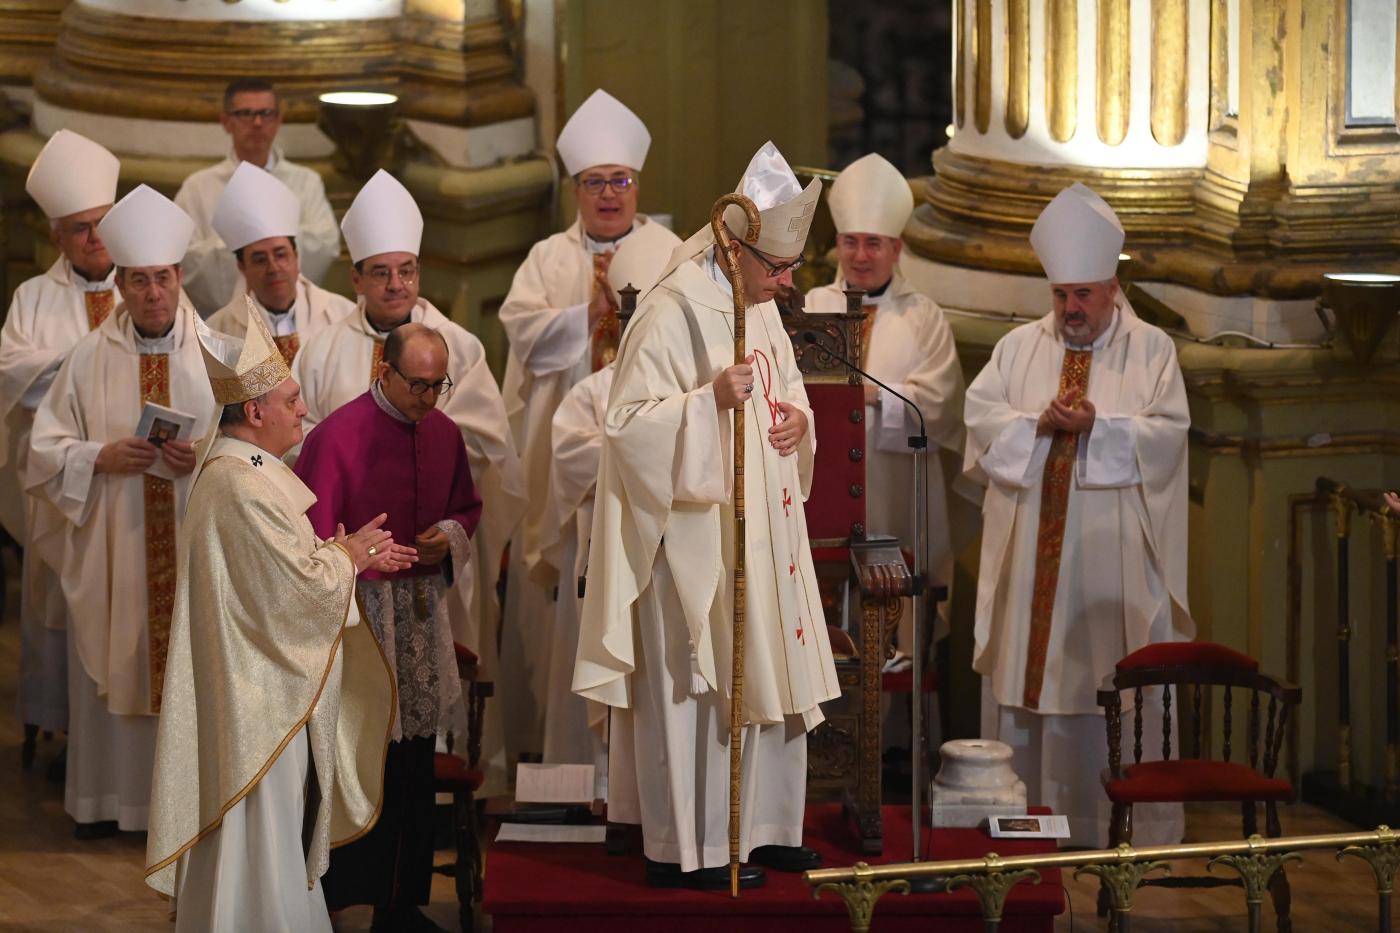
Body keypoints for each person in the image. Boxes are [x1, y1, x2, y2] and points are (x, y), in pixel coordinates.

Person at [574, 142, 838, 889]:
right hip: (694, 537)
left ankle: (767, 829)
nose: (788, 284)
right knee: (704, 687)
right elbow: (625, 427)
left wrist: (798, 424)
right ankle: (691, 847)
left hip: (767, 529)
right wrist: (707, 403)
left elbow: (789, 394)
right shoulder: (671, 308)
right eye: (778, 268)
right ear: (734, 247)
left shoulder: (761, 305)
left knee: (772, 672)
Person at [145, 298, 407, 932]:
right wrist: (346, 558)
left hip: (259, 690)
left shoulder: (245, 473)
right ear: (256, 411)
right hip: (257, 705)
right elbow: (295, 594)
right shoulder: (239, 484)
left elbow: (276, 580)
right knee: (257, 831)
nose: (303, 410)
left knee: (265, 834)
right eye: (291, 400)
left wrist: (336, 554)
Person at [963, 182, 1192, 847]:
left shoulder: (1152, 350)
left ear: (1112, 288)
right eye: (1061, 294)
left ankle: (1110, 824)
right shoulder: (1019, 348)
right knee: (1026, 675)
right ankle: (1026, 820)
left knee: (1107, 674)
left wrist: (1099, 427)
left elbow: (1168, 436)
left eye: (1084, 294)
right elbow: (981, 420)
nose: (1070, 308)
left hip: (1109, 563)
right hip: (1030, 559)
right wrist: (1036, 424)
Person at [293, 169, 524, 793]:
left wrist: (444, 524)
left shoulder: (459, 346)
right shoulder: (320, 350)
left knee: (421, 730)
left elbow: (488, 442)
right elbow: (300, 446)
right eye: (381, 272)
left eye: (407, 270)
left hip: (428, 573)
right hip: (350, 571)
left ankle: (429, 802)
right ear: (356, 280)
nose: (396, 284)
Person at [26, 185, 214, 838]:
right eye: (139, 281)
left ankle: (184, 811)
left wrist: (204, 457)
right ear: (122, 284)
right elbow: (44, 451)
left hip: (192, 543)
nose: (153, 293)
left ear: (180, 278)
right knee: (120, 654)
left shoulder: (219, 354)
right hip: (116, 547)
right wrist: (98, 457)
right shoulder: (87, 358)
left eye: (163, 278)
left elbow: (264, 447)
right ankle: (107, 801)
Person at [295, 322, 482, 931]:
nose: (429, 399)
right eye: (418, 385)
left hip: (421, 617)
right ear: (385, 371)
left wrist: (445, 539)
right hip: (362, 620)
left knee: (413, 763)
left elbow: (465, 508)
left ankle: (402, 904)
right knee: (357, 760)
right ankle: (337, 901)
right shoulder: (335, 437)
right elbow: (309, 544)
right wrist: (356, 555)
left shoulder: (445, 433)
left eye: (438, 385)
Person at [497, 90, 665, 762]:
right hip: (567, 462)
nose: (608, 195)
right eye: (595, 182)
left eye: (620, 180)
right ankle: (568, 759)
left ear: (638, 185)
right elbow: (523, 335)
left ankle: (641, 763)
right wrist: (586, 314)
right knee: (565, 601)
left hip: (651, 461)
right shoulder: (547, 257)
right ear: (575, 190)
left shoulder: (670, 251)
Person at [805, 152, 968, 655]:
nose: (860, 255)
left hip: (895, 494)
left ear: (896, 249)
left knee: (893, 633)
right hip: (822, 488)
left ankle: (897, 697)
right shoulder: (812, 307)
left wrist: (871, 396)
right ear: (836, 246)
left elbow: (939, 406)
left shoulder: (924, 318)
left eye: (873, 243)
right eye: (850, 242)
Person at [539, 221, 680, 793]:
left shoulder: (692, 386)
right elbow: (572, 459)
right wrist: (643, 449)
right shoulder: (592, 392)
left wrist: (635, 447)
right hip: (605, 556)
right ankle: (600, 788)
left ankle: (663, 791)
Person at [1, 130, 120, 769]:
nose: (95, 238)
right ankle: (62, 728)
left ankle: (117, 736)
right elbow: (12, 372)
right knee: (59, 604)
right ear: (57, 237)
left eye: (102, 223)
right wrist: (87, 363)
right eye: (80, 228)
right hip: (64, 483)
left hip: (132, 486)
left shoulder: (147, 284)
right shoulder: (34, 298)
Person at [175, 77, 339, 315]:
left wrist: (254, 246)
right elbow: (183, 258)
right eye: (245, 114)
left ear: (279, 120)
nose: (258, 123)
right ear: (226, 122)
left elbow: (325, 244)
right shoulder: (198, 187)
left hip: (297, 316)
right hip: (222, 321)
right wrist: (252, 248)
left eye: (266, 113)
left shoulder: (305, 181)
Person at [205, 162, 354, 363]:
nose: (273, 268)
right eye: (260, 260)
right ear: (242, 267)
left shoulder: (342, 316)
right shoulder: (218, 332)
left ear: (296, 256)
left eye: (281, 255)